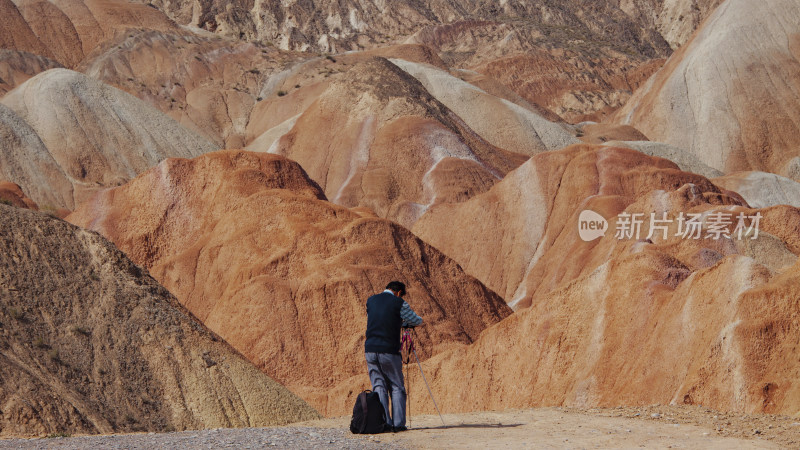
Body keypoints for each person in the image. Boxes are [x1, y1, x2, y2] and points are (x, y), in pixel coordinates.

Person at [364, 281, 423, 432]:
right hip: (388, 350)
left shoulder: (371, 300)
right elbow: (416, 320)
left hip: (370, 350)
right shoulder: (399, 302)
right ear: (398, 292)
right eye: (402, 294)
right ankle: (398, 424)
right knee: (396, 386)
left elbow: (381, 318)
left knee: (378, 386)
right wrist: (405, 323)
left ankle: (384, 423)